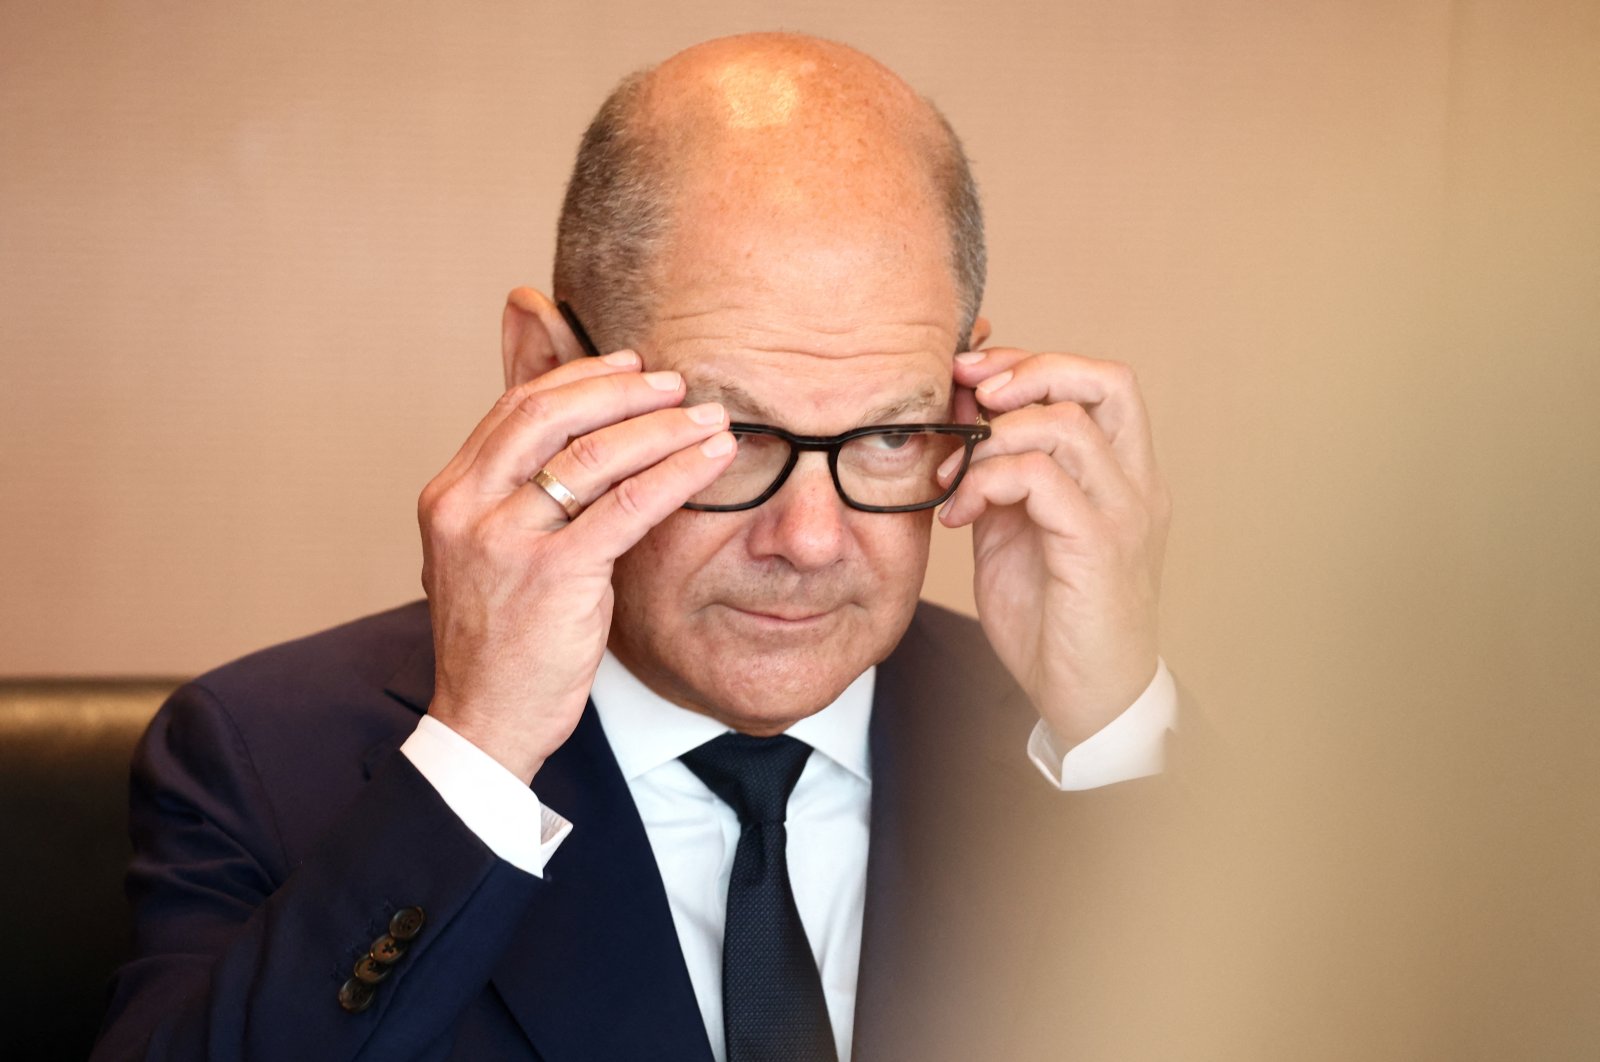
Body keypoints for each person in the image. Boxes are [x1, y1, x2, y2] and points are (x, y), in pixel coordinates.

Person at [93, 32, 1179, 1062]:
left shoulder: (1087, 747)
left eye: (891, 432)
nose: (806, 539)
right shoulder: (260, 759)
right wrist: (484, 750)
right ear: (542, 374)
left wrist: (1116, 728)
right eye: (728, 434)